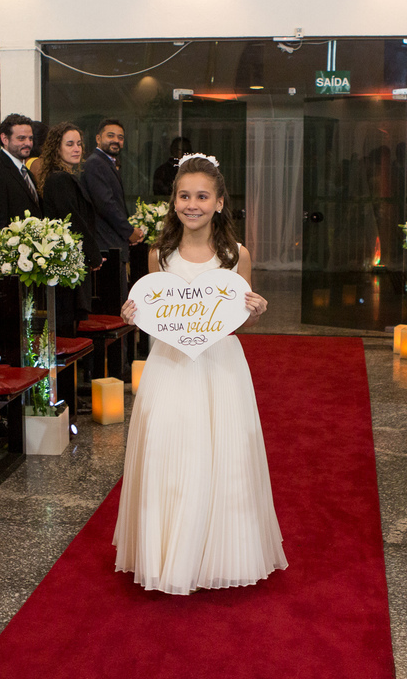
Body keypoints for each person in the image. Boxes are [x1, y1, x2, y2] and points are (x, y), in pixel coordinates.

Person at [115, 153, 286, 594]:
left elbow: (237, 317)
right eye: (184, 195)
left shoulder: (236, 255)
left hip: (220, 366)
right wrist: (132, 314)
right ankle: (165, 552)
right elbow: (155, 310)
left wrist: (257, 309)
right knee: (167, 450)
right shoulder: (159, 255)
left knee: (222, 452)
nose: (193, 204)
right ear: (173, 201)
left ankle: (220, 551)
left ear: (220, 202)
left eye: (202, 196)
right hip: (169, 365)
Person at [37, 122, 103, 336]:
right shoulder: (59, 179)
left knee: (71, 326)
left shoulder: (64, 177)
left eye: (79, 144)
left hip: (69, 262)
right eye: (70, 144)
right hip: (65, 263)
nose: (77, 148)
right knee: (66, 329)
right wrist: (93, 254)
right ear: (57, 148)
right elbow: (72, 219)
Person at [81, 118, 144, 266]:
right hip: (105, 244)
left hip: (112, 243)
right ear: (98, 138)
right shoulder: (95, 163)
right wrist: (129, 232)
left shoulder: (107, 162)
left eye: (120, 137)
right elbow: (106, 204)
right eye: (110, 136)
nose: (116, 140)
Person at [0, 113, 41, 230]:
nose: (28, 143)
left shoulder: (26, 172)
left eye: (30, 138)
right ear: (4, 139)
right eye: (21, 138)